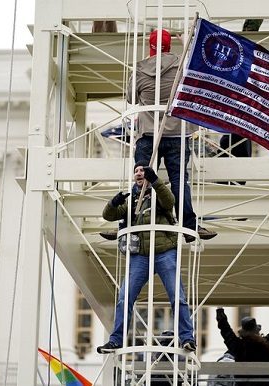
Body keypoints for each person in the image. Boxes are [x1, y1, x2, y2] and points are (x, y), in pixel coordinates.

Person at [96, 162, 196, 354]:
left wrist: (156, 181)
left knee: (177, 296)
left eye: (142, 171)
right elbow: (108, 215)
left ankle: (186, 338)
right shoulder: (133, 199)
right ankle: (116, 340)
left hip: (164, 251)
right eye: (136, 171)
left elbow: (170, 202)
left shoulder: (158, 193)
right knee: (125, 298)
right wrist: (114, 202)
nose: (138, 174)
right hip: (140, 255)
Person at [128, 28, 217, 243]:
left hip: (149, 134)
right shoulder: (183, 66)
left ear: (150, 47)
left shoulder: (140, 70)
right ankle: (188, 225)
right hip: (178, 133)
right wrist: (188, 42)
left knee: (142, 179)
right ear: (170, 46)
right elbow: (200, 79)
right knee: (179, 181)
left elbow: (131, 98)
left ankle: (128, 223)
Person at [215, 308, 269, 386]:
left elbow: (226, 330)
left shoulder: (238, 346)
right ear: (257, 331)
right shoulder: (266, 344)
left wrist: (220, 311)